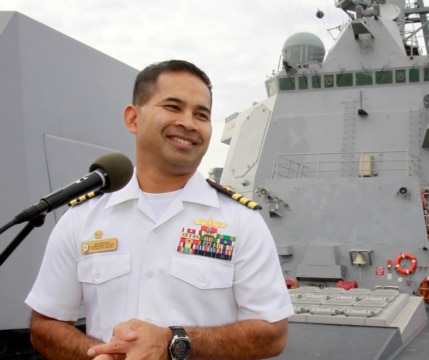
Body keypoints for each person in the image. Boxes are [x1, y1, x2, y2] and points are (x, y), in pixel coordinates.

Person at [25, 60, 294, 359]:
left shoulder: (240, 222)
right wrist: (100, 355)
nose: (189, 123)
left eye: (201, 114)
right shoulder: (82, 217)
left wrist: (173, 343)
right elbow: (45, 324)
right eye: (173, 107)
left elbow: (273, 334)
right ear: (133, 118)